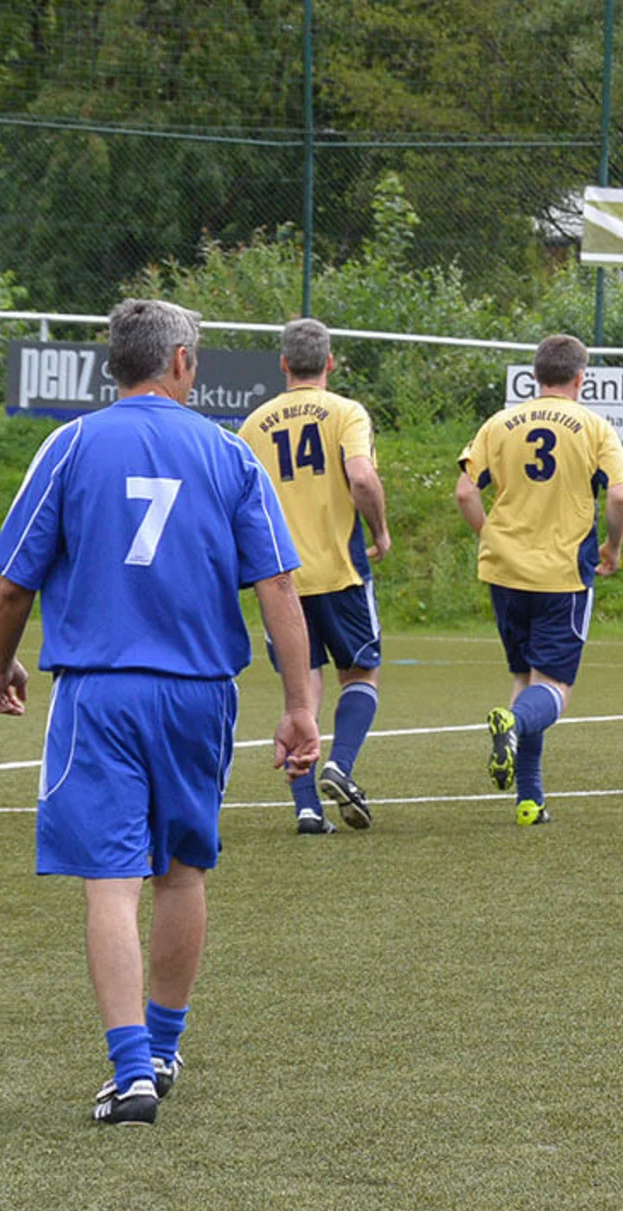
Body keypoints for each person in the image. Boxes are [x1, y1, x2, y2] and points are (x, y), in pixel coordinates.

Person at [0, 299, 319, 1125]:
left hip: (99, 691)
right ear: (179, 364)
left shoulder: (69, 445)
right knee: (182, 872)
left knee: (111, 880)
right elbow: (277, 583)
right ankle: (165, 1047)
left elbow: (12, 583)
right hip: (200, 693)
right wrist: (302, 705)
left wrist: (1, 666)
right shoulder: (227, 453)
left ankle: (132, 1070)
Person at [455, 334, 623, 826]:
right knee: (553, 688)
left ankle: (529, 800)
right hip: (562, 574)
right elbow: (619, 498)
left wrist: (490, 536)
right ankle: (512, 725)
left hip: (505, 572)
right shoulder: (594, 425)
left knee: (523, 678)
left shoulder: (500, 423)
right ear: (581, 377)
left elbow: (465, 491)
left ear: (536, 376)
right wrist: (613, 548)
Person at [239, 318, 392, 835]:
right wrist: (382, 530)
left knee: (300, 693)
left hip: (278, 578)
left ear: (283, 364)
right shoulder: (347, 411)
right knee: (361, 675)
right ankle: (340, 766)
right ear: (330, 363)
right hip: (340, 569)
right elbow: (362, 476)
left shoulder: (254, 424)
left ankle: (306, 808)